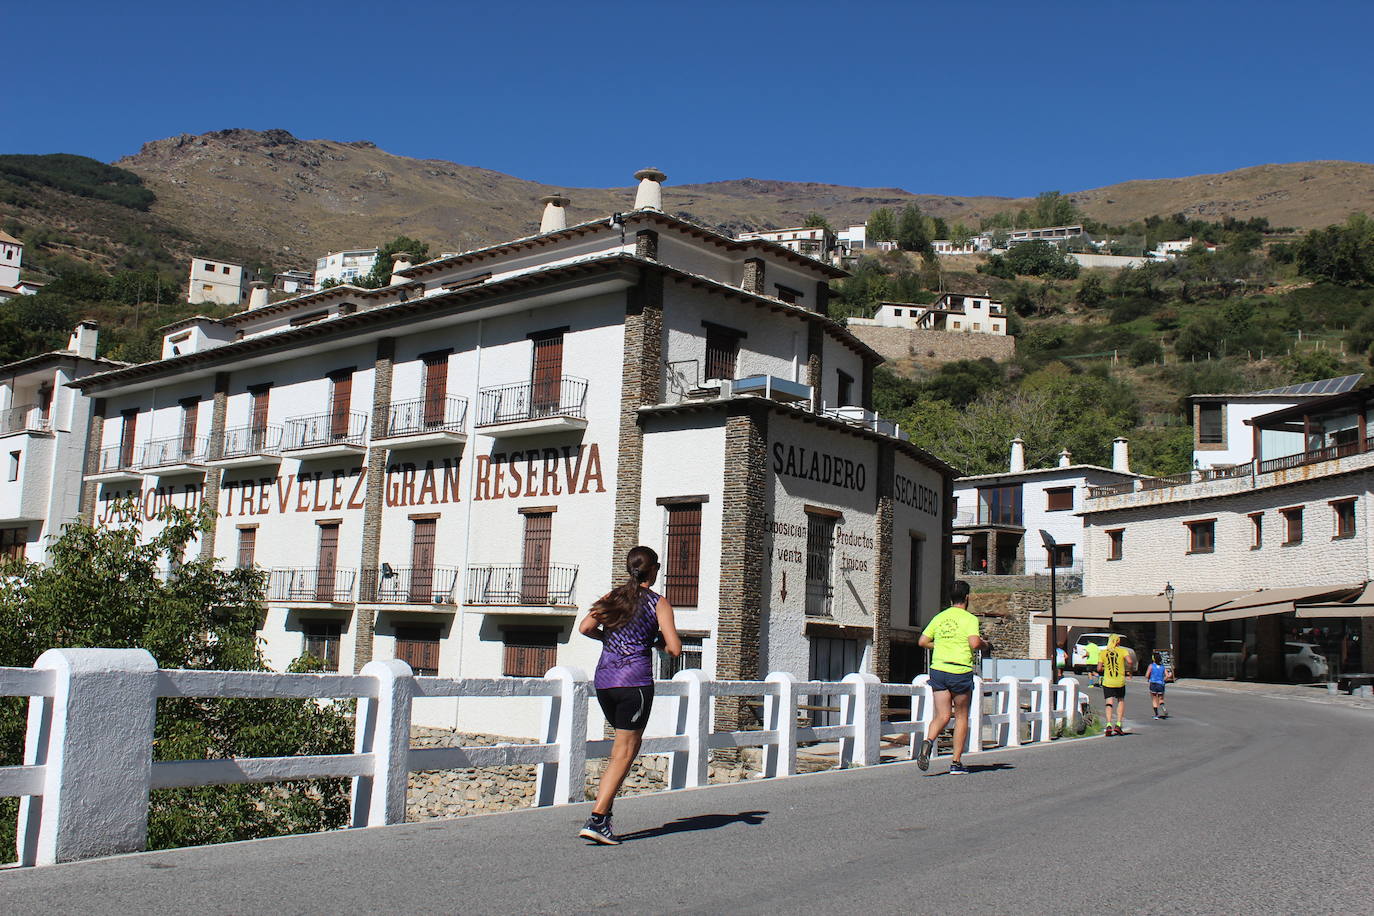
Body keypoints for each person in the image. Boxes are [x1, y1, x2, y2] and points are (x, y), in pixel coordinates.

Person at [577, 545, 681, 845]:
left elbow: (585, 627)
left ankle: (604, 817)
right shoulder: (657, 603)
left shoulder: (613, 597)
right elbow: (675, 649)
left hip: (605, 682)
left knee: (619, 751)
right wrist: (654, 642)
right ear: (654, 570)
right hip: (635, 683)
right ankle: (597, 819)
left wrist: (608, 638)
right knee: (624, 752)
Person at [916, 580, 989, 775]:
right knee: (961, 716)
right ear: (967, 598)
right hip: (959, 670)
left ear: (950, 598)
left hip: (938, 670)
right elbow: (974, 643)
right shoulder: (969, 619)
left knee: (942, 715)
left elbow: (923, 641)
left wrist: (938, 646)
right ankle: (956, 762)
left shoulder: (939, 617)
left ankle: (928, 741)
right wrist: (985, 644)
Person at [1098, 634, 1132, 735]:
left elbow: (1099, 668)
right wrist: (1128, 671)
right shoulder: (1123, 651)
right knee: (1120, 700)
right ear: (1117, 642)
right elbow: (1130, 661)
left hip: (1108, 681)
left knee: (1109, 702)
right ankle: (1118, 724)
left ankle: (1108, 724)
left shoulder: (1103, 653)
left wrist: (1106, 668)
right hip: (1119, 680)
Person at [1147, 651, 1168, 719]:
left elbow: (1147, 675)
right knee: (1161, 699)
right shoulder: (1163, 667)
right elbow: (1167, 675)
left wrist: (1149, 677)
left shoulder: (1151, 666)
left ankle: (1156, 715)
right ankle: (1163, 706)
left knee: (1154, 699)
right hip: (1161, 684)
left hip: (1153, 683)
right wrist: (1163, 679)